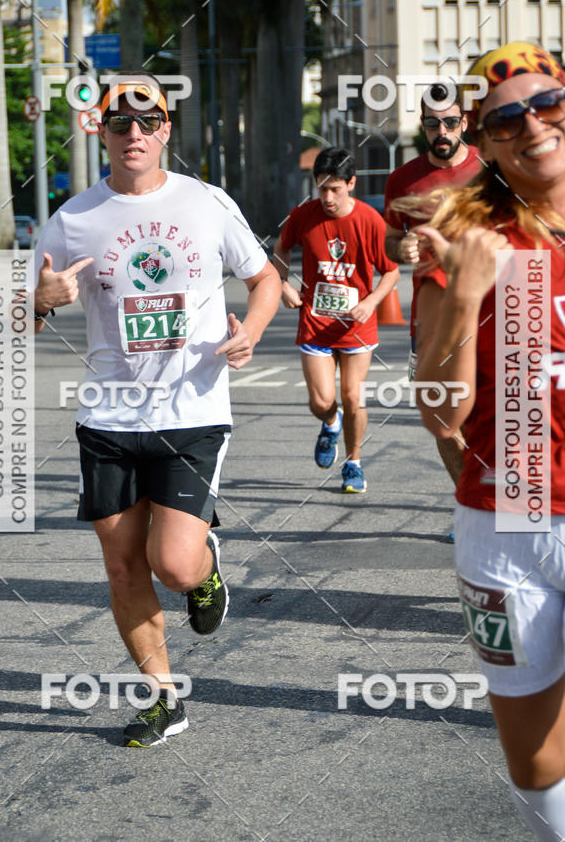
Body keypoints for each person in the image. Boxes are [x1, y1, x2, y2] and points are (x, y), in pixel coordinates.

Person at [32, 73, 281, 747]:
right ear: (101, 131)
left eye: (147, 121)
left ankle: (204, 564)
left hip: (191, 413)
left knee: (172, 563)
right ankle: (164, 699)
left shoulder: (206, 203)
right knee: (122, 566)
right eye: (120, 122)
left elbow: (264, 278)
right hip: (108, 420)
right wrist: (40, 301)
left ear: (166, 129)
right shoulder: (73, 218)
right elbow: (18, 319)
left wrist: (253, 330)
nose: (134, 133)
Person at [414, 42, 565, 840]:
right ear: (486, 141)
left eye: (548, 105)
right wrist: (468, 291)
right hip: (508, 518)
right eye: (507, 120)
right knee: (535, 761)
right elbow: (441, 412)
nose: (532, 126)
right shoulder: (471, 235)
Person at [273, 147, 399, 493]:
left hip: (357, 326)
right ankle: (330, 422)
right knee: (321, 401)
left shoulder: (370, 221)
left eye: (335, 189)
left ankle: (354, 463)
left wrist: (371, 302)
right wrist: (283, 284)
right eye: (321, 188)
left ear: (351, 184)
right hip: (315, 323)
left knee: (354, 397)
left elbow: (391, 272)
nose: (327, 198)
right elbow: (281, 247)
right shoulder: (304, 215)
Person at [384, 83, 480, 486]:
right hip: (432, 318)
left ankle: (496, 501)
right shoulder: (402, 180)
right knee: (443, 418)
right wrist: (401, 247)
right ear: (422, 125)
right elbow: (390, 241)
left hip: (492, 311)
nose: (442, 132)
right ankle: (469, 499)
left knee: (494, 415)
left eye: (450, 122)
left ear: (465, 122)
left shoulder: (492, 170)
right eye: (432, 124)